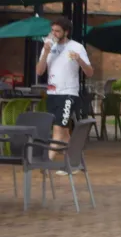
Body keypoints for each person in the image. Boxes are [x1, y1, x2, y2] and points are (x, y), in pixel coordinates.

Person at [35, 18, 92, 159]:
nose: (54, 33)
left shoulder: (77, 47)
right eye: (52, 30)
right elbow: (39, 71)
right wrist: (46, 52)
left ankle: (47, 160)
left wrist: (79, 59)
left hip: (68, 93)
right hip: (52, 93)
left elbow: (90, 72)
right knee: (64, 131)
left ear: (66, 32)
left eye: (57, 31)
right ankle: (74, 161)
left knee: (58, 128)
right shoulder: (48, 47)